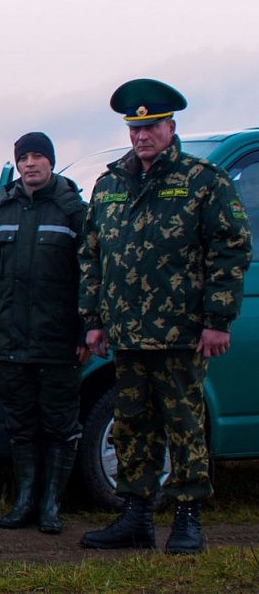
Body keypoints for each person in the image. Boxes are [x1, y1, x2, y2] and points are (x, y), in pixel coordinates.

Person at [79, 79, 251, 554]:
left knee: (184, 425)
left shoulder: (203, 180)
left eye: (151, 126)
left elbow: (231, 248)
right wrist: (93, 318)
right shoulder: (110, 185)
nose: (142, 136)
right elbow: (92, 255)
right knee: (131, 425)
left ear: (171, 128)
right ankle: (136, 517)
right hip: (127, 332)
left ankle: (187, 518)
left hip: (181, 332)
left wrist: (218, 319)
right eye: (135, 128)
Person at [0, 132, 86, 534]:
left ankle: (51, 505)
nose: (30, 164)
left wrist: (85, 330)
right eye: (24, 158)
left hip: (58, 339)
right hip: (10, 338)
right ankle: (24, 500)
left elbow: (89, 274)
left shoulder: (73, 211)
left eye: (38, 157)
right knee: (21, 424)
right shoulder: (2, 209)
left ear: (51, 162)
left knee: (59, 425)